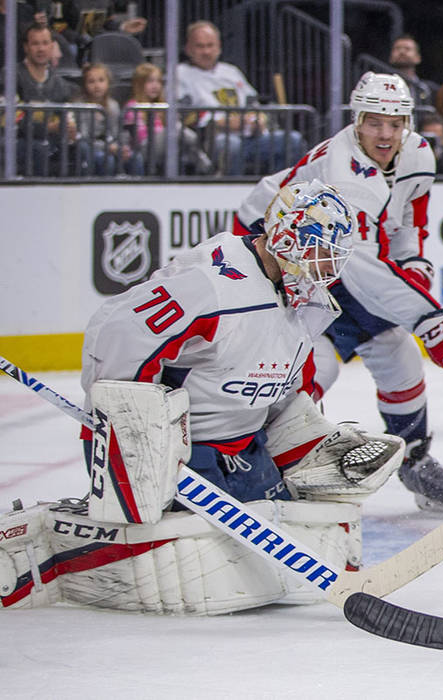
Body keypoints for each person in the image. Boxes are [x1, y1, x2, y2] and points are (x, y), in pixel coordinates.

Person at [11, 180, 403, 614]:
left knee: (274, 547)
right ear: (287, 235)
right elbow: (118, 330)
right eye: (318, 249)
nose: (325, 265)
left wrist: (307, 442)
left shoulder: (303, 297)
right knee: (200, 557)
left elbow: (288, 383)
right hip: (188, 457)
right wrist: (130, 430)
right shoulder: (215, 286)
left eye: (331, 255)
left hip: (245, 449)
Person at [236, 72, 443, 515]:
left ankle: (415, 460)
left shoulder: (418, 154)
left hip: (332, 256)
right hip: (282, 252)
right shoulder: (345, 174)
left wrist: (413, 267)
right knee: (309, 368)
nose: (385, 134)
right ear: (356, 121)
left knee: (396, 352)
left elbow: (408, 223)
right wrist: (433, 320)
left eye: (395, 122)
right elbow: (360, 264)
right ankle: (265, 465)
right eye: (374, 122)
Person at [176, 20, 304, 175]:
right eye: (200, 46)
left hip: (250, 135)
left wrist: (259, 120)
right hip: (212, 138)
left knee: (292, 140)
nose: (206, 51)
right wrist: (222, 123)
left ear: (219, 47)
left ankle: (280, 191)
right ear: (188, 48)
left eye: (210, 45)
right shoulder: (180, 73)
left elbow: (253, 103)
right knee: (231, 145)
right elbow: (184, 115)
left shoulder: (231, 71)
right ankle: (227, 191)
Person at [122, 61, 213, 176]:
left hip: (165, 147)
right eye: (150, 81)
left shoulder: (163, 106)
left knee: (179, 133)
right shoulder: (133, 106)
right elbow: (140, 137)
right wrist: (167, 134)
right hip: (143, 148)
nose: (155, 86)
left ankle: (201, 169)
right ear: (139, 84)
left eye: (158, 81)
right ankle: (206, 166)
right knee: (176, 130)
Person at [15, 21, 80, 176]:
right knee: (39, 148)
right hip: (20, 141)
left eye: (45, 43)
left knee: (82, 149)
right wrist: (49, 128)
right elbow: (12, 121)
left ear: (52, 46)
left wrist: (71, 130)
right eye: (35, 44)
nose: (41, 49)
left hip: (51, 140)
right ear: (26, 47)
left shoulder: (59, 83)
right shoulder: (12, 76)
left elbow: (67, 115)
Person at [75, 62, 132, 175]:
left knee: (136, 158)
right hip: (90, 148)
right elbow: (84, 137)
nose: (97, 85)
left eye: (101, 80)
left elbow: (117, 133)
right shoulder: (80, 106)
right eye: (91, 81)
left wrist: (122, 147)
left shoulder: (113, 105)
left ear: (108, 83)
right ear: (85, 85)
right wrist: (108, 148)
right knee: (108, 160)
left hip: (110, 146)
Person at [388, 34, 439, 109]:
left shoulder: (430, 90)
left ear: (418, 58)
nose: (402, 52)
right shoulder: (380, 85)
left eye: (407, 49)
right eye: (397, 48)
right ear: (390, 57)